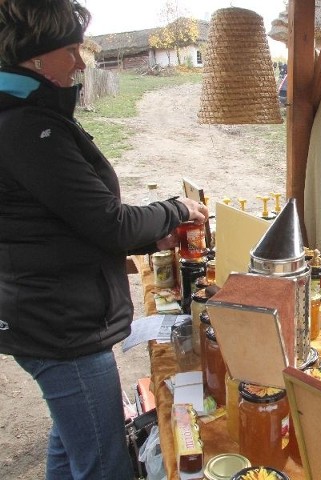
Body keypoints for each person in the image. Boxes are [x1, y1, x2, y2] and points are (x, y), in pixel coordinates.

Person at [0, 1, 208, 479]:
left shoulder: (28, 117)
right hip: (61, 326)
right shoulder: (31, 130)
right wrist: (174, 210)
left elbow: (61, 221)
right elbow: (107, 221)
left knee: (71, 440)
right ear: (36, 59)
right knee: (103, 462)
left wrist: (144, 238)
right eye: (70, 50)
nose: (80, 61)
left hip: (52, 311)